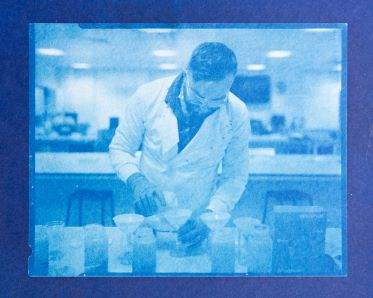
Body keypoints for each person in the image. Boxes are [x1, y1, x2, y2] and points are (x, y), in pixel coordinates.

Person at [109, 42, 250, 251]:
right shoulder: (147, 96)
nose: (205, 105)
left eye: (217, 99)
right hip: (149, 218)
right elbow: (120, 148)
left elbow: (235, 175)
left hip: (196, 224)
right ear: (187, 74)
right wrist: (136, 181)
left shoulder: (237, 112)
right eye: (198, 95)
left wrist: (211, 217)